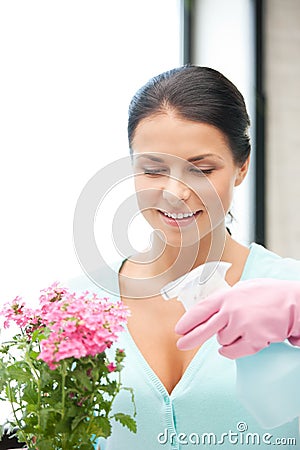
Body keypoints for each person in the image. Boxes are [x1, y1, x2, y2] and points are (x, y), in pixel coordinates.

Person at [72, 65, 300, 449]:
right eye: (153, 170)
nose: (176, 192)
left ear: (241, 167)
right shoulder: (76, 306)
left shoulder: (289, 293)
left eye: (201, 169)